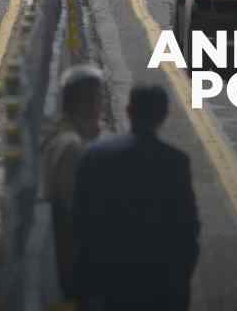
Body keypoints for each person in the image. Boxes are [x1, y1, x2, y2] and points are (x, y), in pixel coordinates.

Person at [73, 85, 199, 311]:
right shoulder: (176, 162)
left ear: (129, 111)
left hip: (110, 284)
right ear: (163, 116)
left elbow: (79, 221)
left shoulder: (94, 156)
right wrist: (181, 281)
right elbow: (187, 229)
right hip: (162, 286)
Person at [42, 66, 103, 301]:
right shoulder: (71, 147)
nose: (99, 105)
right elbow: (76, 208)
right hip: (78, 263)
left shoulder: (62, 135)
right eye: (97, 98)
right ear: (83, 103)